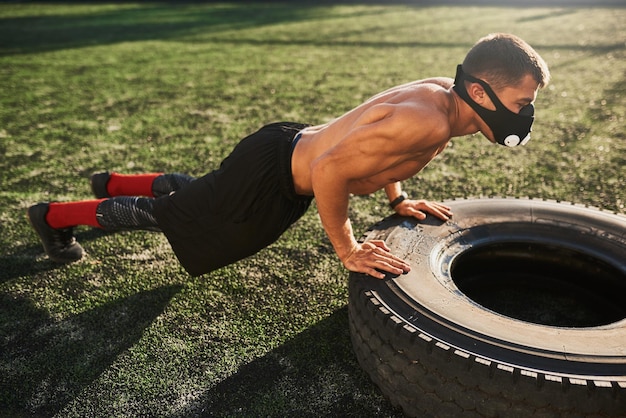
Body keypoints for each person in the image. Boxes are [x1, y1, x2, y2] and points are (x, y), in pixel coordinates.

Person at [27, 33, 550, 279]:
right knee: (180, 218)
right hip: (281, 172)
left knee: (205, 195)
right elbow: (331, 171)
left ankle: (112, 181)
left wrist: (400, 196)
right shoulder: (430, 117)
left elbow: (398, 152)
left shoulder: (447, 99)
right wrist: (347, 250)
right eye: (523, 102)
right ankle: (52, 218)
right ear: (481, 93)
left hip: (280, 152)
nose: (524, 113)